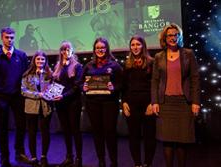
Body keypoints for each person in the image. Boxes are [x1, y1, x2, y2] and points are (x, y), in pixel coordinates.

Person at [151, 23, 200, 167]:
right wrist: (154, 102)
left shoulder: (188, 54)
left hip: (184, 103)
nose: (173, 38)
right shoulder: (159, 57)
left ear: (179, 36)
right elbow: (154, 81)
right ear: (164, 38)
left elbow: (195, 78)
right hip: (165, 103)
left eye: (175, 35)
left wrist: (195, 102)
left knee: (182, 140)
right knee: (167, 140)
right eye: (170, 35)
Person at [0, 27, 30, 167]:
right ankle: (4, 157)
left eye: (11, 37)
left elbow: (26, 76)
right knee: (3, 128)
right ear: (2, 38)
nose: (9, 40)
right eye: (6, 37)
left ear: (14, 38)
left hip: (18, 96)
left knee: (21, 126)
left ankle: (19, 154)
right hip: (1, 97)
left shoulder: (21, 55)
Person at [82, 37, 123, 167]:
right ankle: (101, 161)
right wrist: (83, 87)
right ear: (94, 50)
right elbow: (79, 82)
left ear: (107, 49)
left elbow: (122, 83)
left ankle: (114, 161)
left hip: (110, 103)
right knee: (97, 132)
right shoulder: (88, 65)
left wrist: (114, 87)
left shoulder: (114, 65)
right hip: (93, 103)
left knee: (110, 132)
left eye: (102, 48)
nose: (100, 50)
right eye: (97, 48)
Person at [122, 35, 156, 167]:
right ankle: (137, 164)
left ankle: (148, 163)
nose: (135, 47)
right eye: (133, 45)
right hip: (131, 105)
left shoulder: (152, 62)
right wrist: (124, 102)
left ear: (143, 46)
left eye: (138, 44)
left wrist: (152, 103)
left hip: (148, 105)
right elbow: (124, 87)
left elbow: (155, 85)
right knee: (133, 137)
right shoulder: (126, 64)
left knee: (149, 138)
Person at [52, 41, 83, 167]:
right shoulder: (57, 66)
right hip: (60, 104)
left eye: (68, 49)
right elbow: (55, 84)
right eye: (63, 50)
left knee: (75, 130)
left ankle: (79, 158)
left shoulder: (77, 66)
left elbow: (77, 87)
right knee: (66, 131)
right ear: (61, 52)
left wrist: (63, 96)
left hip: (73, 103)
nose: (66, 52)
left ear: (72, 50)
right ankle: (69, 157)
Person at [21, 50, 53, 167]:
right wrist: (36, 95)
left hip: (45, 107)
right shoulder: (27, 74)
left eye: (42, 59)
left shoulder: (50, 74)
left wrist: (51, 94)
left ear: (45, 61)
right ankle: (34, 157)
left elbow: (53, 89)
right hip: (31, 107)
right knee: (32, 133)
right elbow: (23, 91)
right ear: (34, 60)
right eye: (38, 59)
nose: (40, 61)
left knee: (45, 133)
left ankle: (44, 156)